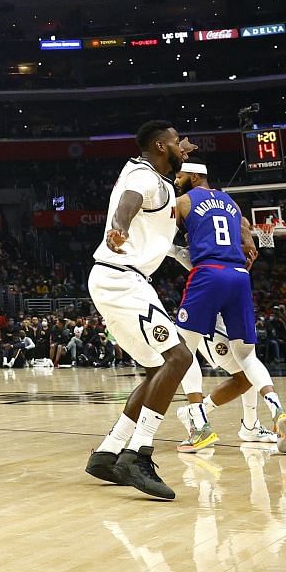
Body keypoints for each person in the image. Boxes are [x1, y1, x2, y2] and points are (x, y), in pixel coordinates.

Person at [84, 121, 201, 500]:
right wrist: (118, 227)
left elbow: (168, 189)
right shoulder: (141, 176)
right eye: (173, 140)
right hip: (122, 278)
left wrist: (180, 152)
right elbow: (128, 203)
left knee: (158, 369)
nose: (180, 146)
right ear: (158, 145)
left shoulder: (161, 180)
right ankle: (138, 454)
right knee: (180, 357)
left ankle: (107, 453)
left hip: (116, 279)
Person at [168, 159, 286, 453]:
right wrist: (247, 247)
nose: (176, 179)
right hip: (239, 277)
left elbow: (160, 233)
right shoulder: (230, 202)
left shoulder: (184, 201)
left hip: (208, 274)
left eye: (180, 174)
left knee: (183, 352)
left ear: (194, 175)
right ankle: (278, 410)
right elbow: (249, 240)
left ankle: (199, 424)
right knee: (247, 357)